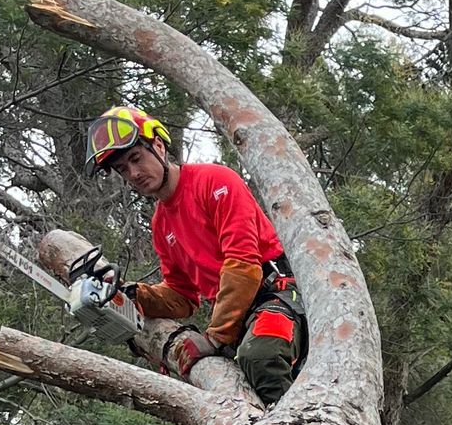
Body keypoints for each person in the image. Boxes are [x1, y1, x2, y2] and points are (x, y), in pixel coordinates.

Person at [77, 106, 306, 405]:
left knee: (261, 356)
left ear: (158, 145)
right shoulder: (161, 224)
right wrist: (134, 295)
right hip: (238, 319)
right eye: (123, 169)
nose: (133, 173)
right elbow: (183, 297)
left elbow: (244, 265)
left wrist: (213, 337)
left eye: (135, 158)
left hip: (277, 293)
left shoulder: (214, 181)